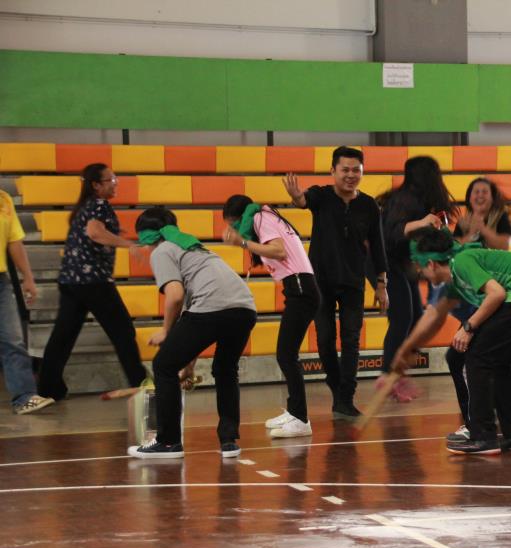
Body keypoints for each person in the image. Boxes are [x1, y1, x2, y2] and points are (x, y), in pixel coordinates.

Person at [392, 227, 511, 455]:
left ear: (431, 264)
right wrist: (408, 349)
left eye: (421, 267)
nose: (420, 273)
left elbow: (496, 293)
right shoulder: (456, 279)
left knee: (477, 357)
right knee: (497, 362)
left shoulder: (462, 262)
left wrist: (469, 327)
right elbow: (434, 315)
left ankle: (483, 436)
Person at [128, 208, 257, 459]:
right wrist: (188, 367)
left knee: (163, 365)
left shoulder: (162, 251)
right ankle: (229, 441)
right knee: (225, 369)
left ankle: (168, 443)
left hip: (212, 307)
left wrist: (166, 331)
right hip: (244, 309)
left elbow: (176, 297)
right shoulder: (195, 247)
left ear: (147, 237)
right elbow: (192, 312)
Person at [282, 146, 388, 420]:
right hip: (320, 283)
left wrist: (381, 284)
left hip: (353, 282)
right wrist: (296, 196)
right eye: (345, 170)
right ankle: (337, 386)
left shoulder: (369, 206)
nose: (351, 175)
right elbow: (304, 201)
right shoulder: (322, 195)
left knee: (351, 341)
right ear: (333, 171)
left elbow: (378, 247)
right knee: (325, 339)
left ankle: (345, 399)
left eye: (356, 170)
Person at [38, 163, 147, 401]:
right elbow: (95, 233)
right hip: (93, 281)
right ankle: (141, 384)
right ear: (96, 185)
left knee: (63, 336)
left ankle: (48, 388)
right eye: (111, 180)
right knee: (123, 331)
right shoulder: (99, 204)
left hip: (71, 280)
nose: (116, 183)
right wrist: (128, 244)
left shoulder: (85, 206)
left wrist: (117, 235)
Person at [222, 195, 320, 438]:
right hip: (297, 288)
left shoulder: (260, 218)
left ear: (240, 217)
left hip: (301, 288)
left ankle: (301, 419)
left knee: (286, 355)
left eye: (234, 225)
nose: (235, 231)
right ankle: (295, 411)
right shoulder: (266, 216)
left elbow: (278, 250)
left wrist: (242, 242)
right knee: (287, 354)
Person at [445, 178, 511, 443]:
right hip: (472, 300)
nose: (480, 195)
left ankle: (478, 422)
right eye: (476, 192)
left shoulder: (499, 219)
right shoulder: (463, 222)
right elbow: (453, 255)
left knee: (463, 358)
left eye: (485, 192)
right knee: (467, 360)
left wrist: (482, 228)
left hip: (492, 300)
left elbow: (504, 246)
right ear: (469, 196)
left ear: (492, 197)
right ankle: (487, 419)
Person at [380, 156, 458, 379]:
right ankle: (387, 374)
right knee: (402, 317)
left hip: (406, 261)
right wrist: (423, 223)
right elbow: (391, 233)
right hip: (386, 260)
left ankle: (398, 372)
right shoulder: (405, 200)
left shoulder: (427, 201)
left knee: (415, 316)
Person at [0, 190, 54, 414]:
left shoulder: (4, 199)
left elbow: (14, 241)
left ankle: (24, 397)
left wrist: (28, 277)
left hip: (0, 281)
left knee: (13, 339)